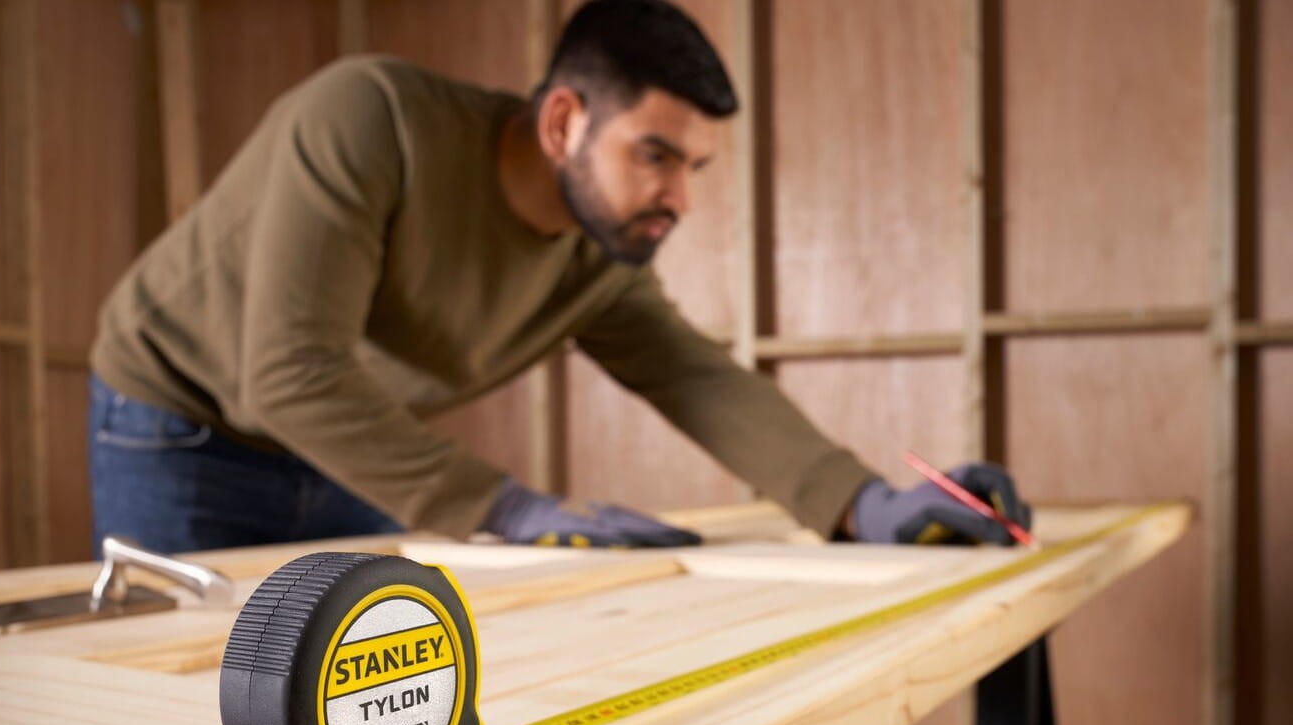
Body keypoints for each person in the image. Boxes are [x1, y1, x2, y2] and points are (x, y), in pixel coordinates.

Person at [88, 0, 1029, 557]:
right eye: (656, 155)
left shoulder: (598, 255)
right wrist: (509, 509)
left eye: (695, 168)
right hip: (178, 420)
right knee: (188, 719)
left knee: (330, 715)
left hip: (348, 441)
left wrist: (862, 504)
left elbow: (698, 378)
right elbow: (289, 372)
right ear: (563, 122)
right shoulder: (369, 119)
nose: (679, 199)